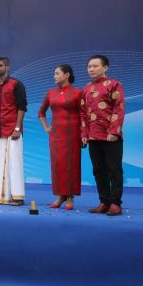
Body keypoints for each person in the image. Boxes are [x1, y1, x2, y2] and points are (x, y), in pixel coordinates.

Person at [80, 55, 125, 216]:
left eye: (95, 66)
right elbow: (83, 113)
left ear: (105, 68)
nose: (91, 69)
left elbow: (119, 109)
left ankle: (115, 203)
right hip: (93, 137)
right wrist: (84, 134)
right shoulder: (86, 88)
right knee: (98, 170)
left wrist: (114, 131)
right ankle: (104, 201)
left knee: (114, 170)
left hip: (110, 136)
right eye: (89, 66)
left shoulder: (114, 85)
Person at [39, 64, 83, 210]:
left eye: (57, 73)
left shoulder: (78, 93)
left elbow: (84, 115)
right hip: (56, 135)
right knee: (57, 165)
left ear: (67, 74)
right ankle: (60, 196)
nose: (54, 76)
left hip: (73, 134)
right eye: (54, 74)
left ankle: (70, 196)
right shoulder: (51, 93)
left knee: (71, 165)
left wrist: (84, 134)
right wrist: (46, 127)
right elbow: (41, 111)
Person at [0, 57, 27, 206]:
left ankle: (18, 196)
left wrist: (17, 128)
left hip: (12, 130)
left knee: (15, 163)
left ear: (7, 67)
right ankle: (1, 196)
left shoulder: (16, 84)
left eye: (0, 65)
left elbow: (22, 107)